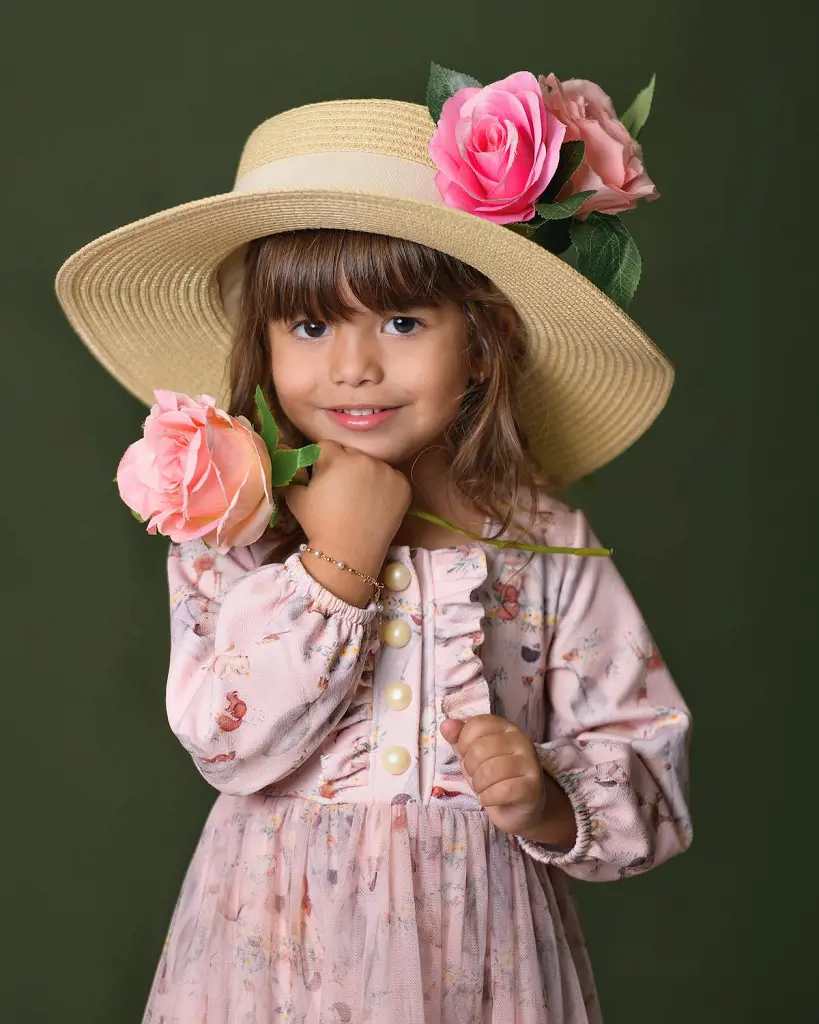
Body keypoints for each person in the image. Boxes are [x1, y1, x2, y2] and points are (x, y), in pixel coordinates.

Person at [55, 71, 692, 1023]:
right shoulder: (232, 525)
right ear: (261, 343)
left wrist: (548, 800)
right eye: (310, 325)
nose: (353, 365)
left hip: (485, 959)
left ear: (482, 340)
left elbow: (646, 752)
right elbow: (224, 744)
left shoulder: (542, 538)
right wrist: (337, 565)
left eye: (401, 321)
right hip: (273, 958)